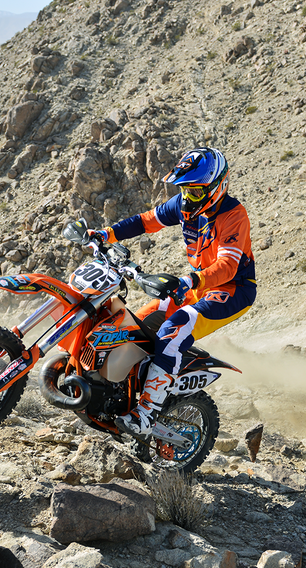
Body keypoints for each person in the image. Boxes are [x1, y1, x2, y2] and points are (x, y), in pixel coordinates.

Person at [89, 147, 256, 437]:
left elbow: (228, 266)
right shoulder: (184, 204)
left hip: (232, 290)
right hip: (198, 285)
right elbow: (146, 221)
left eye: (195, 191)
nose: (187, 197)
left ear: (217, 187)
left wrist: (191, 280)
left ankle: (146, 414)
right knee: (134, 325)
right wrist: (106, 234)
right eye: (184, 189)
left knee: (172, 331)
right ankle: (121, 394)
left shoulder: (233, 215)